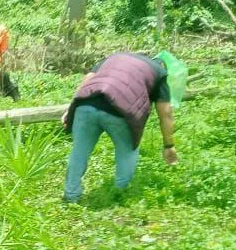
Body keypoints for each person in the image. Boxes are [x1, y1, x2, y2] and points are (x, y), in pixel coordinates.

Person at [62, 52, 179, 203]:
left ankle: (71, 195)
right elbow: (166, 113)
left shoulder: (114, 57)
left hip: (86, 104)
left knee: (79, 151)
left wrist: (71, 108)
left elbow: (88, 79)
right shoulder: (159, 72)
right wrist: (169, 145)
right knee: (127, 151)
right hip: (121, 110)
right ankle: (119, 194)